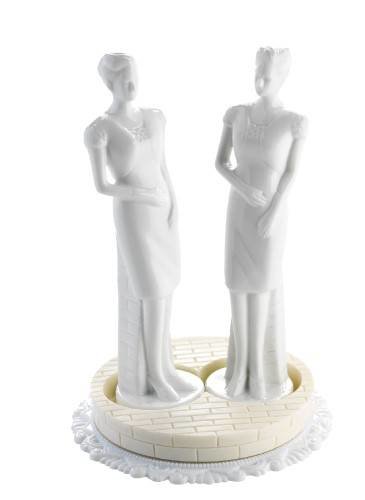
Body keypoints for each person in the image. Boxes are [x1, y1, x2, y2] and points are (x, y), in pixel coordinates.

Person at [84, 53, 196, 405]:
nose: (131, 85)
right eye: (123, 80)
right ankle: (155, 376)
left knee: (167, 288)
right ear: (109, 83)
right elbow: (102, 185)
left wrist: (174, 203)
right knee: (150, 290)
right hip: (134, 215)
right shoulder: (100, 130)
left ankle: (165, 367)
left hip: (162, 212)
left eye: (134, 76)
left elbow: (163, 166)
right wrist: (141, 195)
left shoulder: (155, 117)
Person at [215, 48, 308, 399]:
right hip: (239, 211)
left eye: (269, 72)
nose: (261, 78)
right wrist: (241, 187)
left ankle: (258, 370)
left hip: (271, 217)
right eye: (258, 69)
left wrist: (273, 211)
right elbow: (221, 162)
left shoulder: (293, 122)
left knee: (261, 287)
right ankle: (239, 369)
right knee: (237, 285)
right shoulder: (236, 115)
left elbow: (290, 173)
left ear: (283, 75)